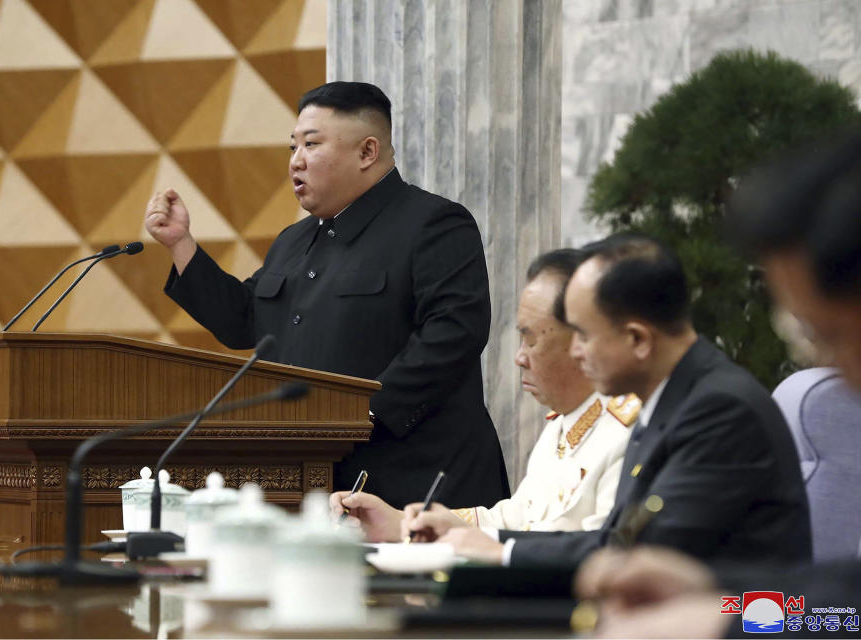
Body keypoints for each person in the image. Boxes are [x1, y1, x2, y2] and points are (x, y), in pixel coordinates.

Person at [144, 81, 509, 508]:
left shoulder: (434, 223)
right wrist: (181, 243)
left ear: (367, 152)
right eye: (292, 147)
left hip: (419, 482)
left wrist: (361, 413)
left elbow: (454, 332)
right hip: (316, 483)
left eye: (311, 145)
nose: (296, 161)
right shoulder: (292, 241)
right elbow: (244, 321)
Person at [574, 133, 861, 638]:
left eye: (828, 335)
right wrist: (715, 591)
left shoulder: (720, 404)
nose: (834, 370)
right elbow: (843, 606)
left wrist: (727, 618)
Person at [413, 233, 811, 570]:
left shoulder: (720, 410)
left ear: (637, 339)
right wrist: (489, 540)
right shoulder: (673, 398)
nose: (577, 352)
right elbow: (616, 540)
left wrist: (503, 552)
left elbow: (640, 557)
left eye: (584, 335)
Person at [329, 249, 639, 547]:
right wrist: (398, 523)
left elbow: (599, 552)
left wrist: (485, 545)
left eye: (530, 339)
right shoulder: (561, 425)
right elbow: (518, 517)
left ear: (582, 340)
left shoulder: (629, 434)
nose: (519, 357)